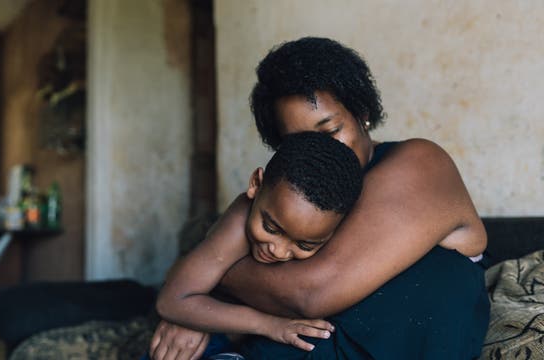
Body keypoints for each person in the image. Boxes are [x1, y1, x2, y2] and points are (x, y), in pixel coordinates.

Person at [149, 37, 489, 360]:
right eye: (299, 142)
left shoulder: (420, 162)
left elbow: (310, 293)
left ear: (362, 112)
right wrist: (198, 305)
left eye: (330, 132)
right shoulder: (289, 199)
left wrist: (203, 288)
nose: (321, 152)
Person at [154, 132, 362, 358]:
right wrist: (269, 325)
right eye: (271, 229)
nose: (278, 251)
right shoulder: (237, 223)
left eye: (304, 244)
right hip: (215, 329)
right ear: (256, 184)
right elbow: (172, 301)